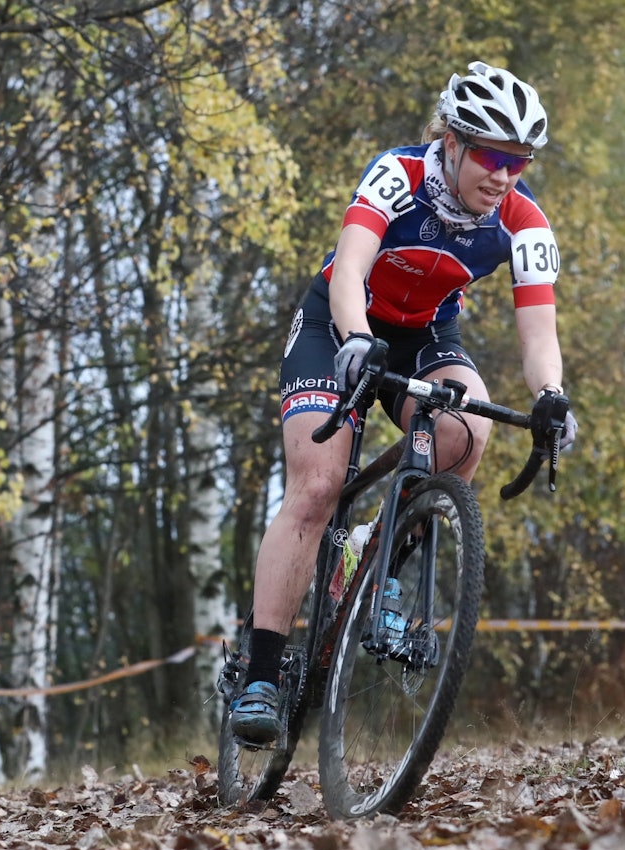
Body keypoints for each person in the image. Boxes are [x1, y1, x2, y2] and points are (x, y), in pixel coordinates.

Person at [230, 61, 577, 744]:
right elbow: (350, 268)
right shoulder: (398, 175)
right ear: (451, 142)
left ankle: (373, 562)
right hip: (339, 324)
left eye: (518, 161)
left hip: (425, 336)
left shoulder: (526, 222)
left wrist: (551, 396)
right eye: (492, 156)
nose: (504, 175)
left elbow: (540, 333)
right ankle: (260, 674)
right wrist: (357, 338)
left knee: (468, 429)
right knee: (318, 484)